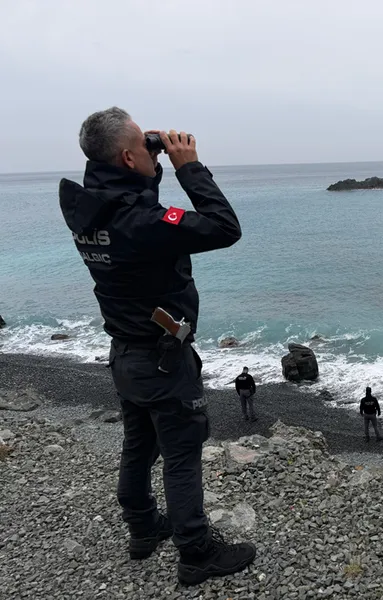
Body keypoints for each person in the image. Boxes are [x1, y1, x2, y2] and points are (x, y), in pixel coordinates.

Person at [58, 107, 255, 585]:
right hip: (163, 360)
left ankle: (143, 528)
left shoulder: (88, 211)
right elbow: (224, 227)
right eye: (142, 148)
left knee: (139, 443)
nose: (154, 151)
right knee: (182, 454)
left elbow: (137, 208)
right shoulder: (143, 223)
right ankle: (196, 552)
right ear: (128, 159)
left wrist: (150, 164)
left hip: (125, 355)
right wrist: (189, 167)